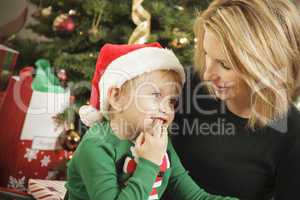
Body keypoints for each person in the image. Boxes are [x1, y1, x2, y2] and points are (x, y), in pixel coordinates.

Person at [65, 42, 238, 200]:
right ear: (117, 97)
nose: (166, 109)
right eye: (156, 95)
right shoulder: (97, 146)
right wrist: (149, 162)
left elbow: (195, 197)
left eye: (172, 101)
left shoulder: (158, 141)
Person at [172, 0, 300, 199]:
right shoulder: (188, 84)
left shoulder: (293, 136)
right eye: (207, 54)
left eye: (225, 64)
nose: (207, 74)